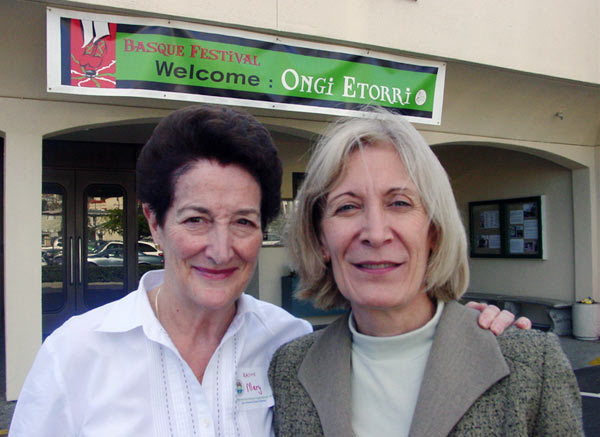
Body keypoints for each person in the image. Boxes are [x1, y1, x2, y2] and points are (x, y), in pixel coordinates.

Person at [11, 105, 527, 436]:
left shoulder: (289, 345)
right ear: (155, 222)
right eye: (196, 220)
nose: (220, 249)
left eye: (243, 222)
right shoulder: (75, 354)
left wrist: (469, 331)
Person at [268, 107, 583, 436]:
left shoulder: (532, 364)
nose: (376, 233)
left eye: (400, 203)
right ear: (320, 239)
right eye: (347, 206)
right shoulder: (290, 368)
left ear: (433, 230)